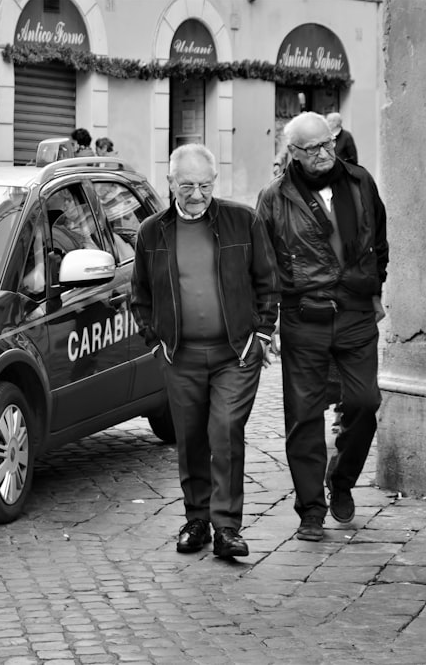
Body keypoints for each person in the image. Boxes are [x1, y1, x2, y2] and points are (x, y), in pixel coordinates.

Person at [130, 144, 279, 559]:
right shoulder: (151, 232)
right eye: (187, 186)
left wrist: (262, 336)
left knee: (225, 430)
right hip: (180, 356)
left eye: (205, 185)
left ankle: (227, 527)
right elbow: (139, 296)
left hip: (235, 352)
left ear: (215, 182)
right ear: (171, 183)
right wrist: (156, 342)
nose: (197, 195)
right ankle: (197, 520)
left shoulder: (241, 221)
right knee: (190, 437)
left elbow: (267, 281)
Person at [256, 111, 387, 542]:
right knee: (304, 417)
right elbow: (264, 265)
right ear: (292, 153)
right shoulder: (274, 198)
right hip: (304, 315)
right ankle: (311, 509)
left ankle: (342, 479)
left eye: (327, 144)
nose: (323, 154)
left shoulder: (359, 181)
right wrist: (266, 324)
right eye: (312, 148)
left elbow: (379, 240)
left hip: (354, 313)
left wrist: (374, 290)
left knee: (366, 402)